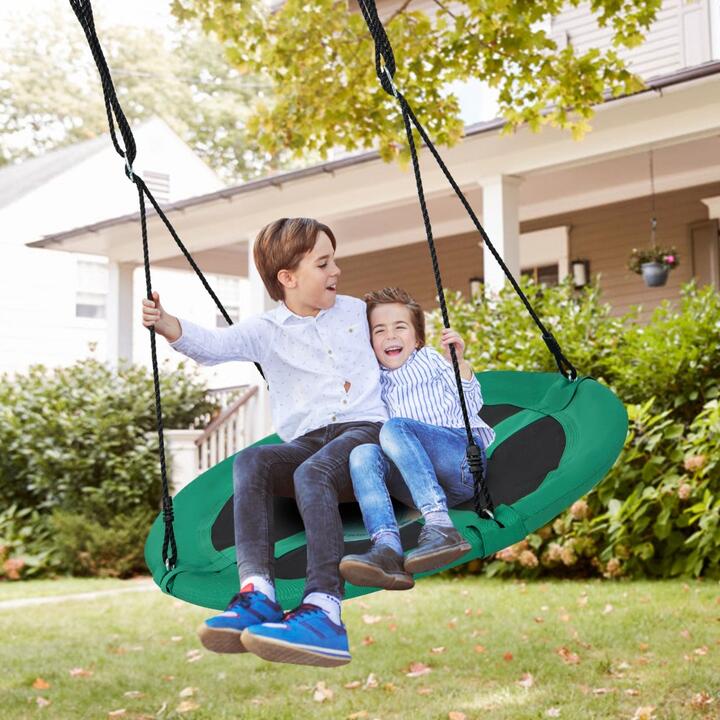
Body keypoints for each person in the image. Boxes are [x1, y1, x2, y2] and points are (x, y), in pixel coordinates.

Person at [141, 218, 388, 668]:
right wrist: (167, 323)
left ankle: (325, 612)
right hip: (311, 443)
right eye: (324, 263)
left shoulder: (360, 313)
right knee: (254, 461)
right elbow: (212, 346)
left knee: (311, 471)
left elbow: (404, 348)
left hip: (365, 435)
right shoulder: (267, 331)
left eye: (335, 260)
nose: (337, 271)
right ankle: (259, 594)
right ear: (288, 278)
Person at [339, 287, 496, 591]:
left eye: (400, 327)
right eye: (379, 331)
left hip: (460, 463)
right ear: (369, 342)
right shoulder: (371, 381)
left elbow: (472, 403)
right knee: (362, 453)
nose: (390, 336)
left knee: (395, 428)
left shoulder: (430, 361)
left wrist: (458, 364)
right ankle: (386, 549)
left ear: (417, 338)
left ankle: (440, 527)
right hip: (414, 484)